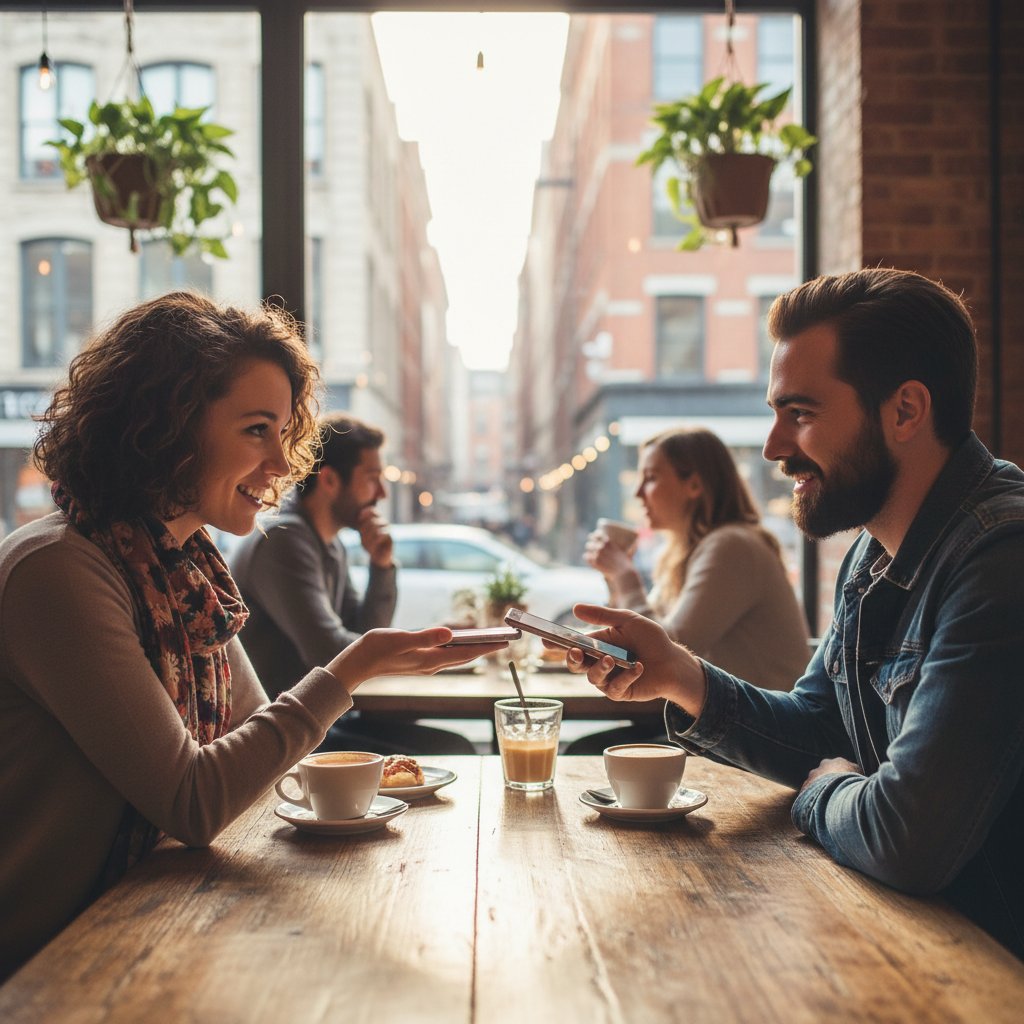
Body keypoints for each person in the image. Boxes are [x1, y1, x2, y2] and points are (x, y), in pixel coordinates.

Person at [0, 292, 504, 980]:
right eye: (257, 430)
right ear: (167, 425)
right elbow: (193, 801)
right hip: (53, 960)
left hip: (159, 911)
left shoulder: (180, 569)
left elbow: (255, 753)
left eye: (284, 431)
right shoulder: (58, 569)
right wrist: (350, 670)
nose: (282, 463)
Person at [564, 268, 1024, 959]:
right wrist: (681, 676)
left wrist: (823, 792)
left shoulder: (1001, 557)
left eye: (800, 414)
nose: (774, 447)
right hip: (912, 940)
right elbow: (817, 726)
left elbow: (907, 839)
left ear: (905, 411)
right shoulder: (872, 554)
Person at [229, 413, 475, 754]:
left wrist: (381, 565)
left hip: (323, 720)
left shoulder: (330, 544)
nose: (382, 493)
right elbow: (330, 652)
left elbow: (363, 631)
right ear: (330, 480)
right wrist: (422, 644)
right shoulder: (284, 540)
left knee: (448, 744)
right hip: (281, 736)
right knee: (451, 749)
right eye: (372, 479)